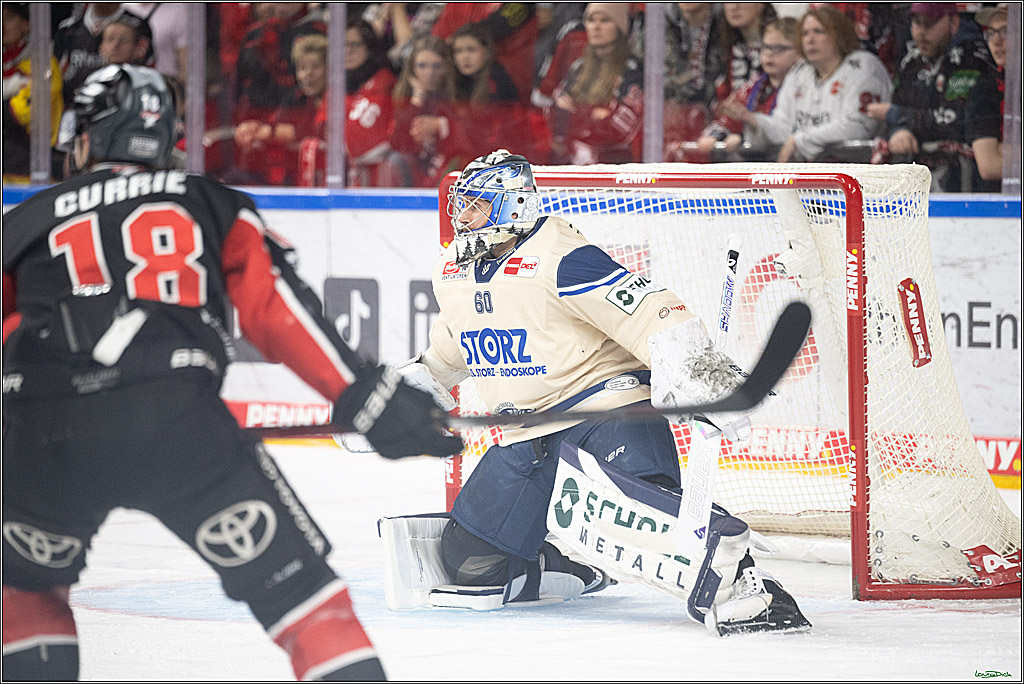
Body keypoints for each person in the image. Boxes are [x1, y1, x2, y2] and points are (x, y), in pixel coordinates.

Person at [1, 64, 462, 681]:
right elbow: (276, 313)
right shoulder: (207, 200)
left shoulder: (23, 224)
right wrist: (365, 397)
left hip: (42, 436)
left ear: (86, 137)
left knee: (24, 594)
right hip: (179, 426)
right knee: (310, 608)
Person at [379, 149, 812, 636]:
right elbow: (445, 355)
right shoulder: (455, 274)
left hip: (605, 418)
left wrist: (701, 376)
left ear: (513, 206)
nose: (464, 217)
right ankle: (569, 567)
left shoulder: (561, 255)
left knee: (645, 518)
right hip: (525, 439)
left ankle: (748, 590)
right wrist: (395, 398)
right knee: (468, 566)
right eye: (463, 205)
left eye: (477, 205)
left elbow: (650, 312)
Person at [866, 3, 1001, 191]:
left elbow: (957, 120)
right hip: (917, 184)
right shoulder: (910, 62)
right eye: (916, 23)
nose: (921, 32)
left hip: (968, 186)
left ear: (953, 23)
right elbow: (899, 106)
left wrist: (896, 114)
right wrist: (899, 130)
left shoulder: (974, 58)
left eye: (928, 23)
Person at [745, 5, 891, 163]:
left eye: (818, 31)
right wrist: (753, 120)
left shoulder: (864, 67)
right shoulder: (799, 72)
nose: (809, 39)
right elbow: (784, 127)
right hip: (810, 177)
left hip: (858, 174)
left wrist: (801, 140)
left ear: (838, 34)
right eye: (805, 33)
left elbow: (859, 126)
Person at [548, 3, 644, 165]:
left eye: (605, 20)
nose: (596, 27)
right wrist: (592, 115)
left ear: (620, 27)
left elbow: (622, 130)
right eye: (591, 20)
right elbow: (553, 113)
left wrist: (577, 113)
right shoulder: (578, 67)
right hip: (571, 168)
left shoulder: (632, 71)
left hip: (614, 172)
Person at [696, 16, 801, 158]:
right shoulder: (754, 85)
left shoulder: (802, 88)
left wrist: (743, 137)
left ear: (800, 54)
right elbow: (729, 120)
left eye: (779, 48)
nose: (769, 53)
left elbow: (791, 132)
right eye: (766, 47)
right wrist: (716, 136)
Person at [381, 36, 470, 187]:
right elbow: (397, 143)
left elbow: (468, 140)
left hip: (448, 173)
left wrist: (441, 125)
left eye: (436, 66)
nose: (429, 73)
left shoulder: (459, 97)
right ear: (412, 69)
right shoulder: (403, 97)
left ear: (446, 67)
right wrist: (417, 99)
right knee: (395, 160)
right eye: (422, 66)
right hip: (417, 174)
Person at [2, 2, 64, 184]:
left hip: (32, 171)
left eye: (9, 18)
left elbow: (19, 113)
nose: (2, 25)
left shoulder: (44, 63)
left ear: (26, 24)